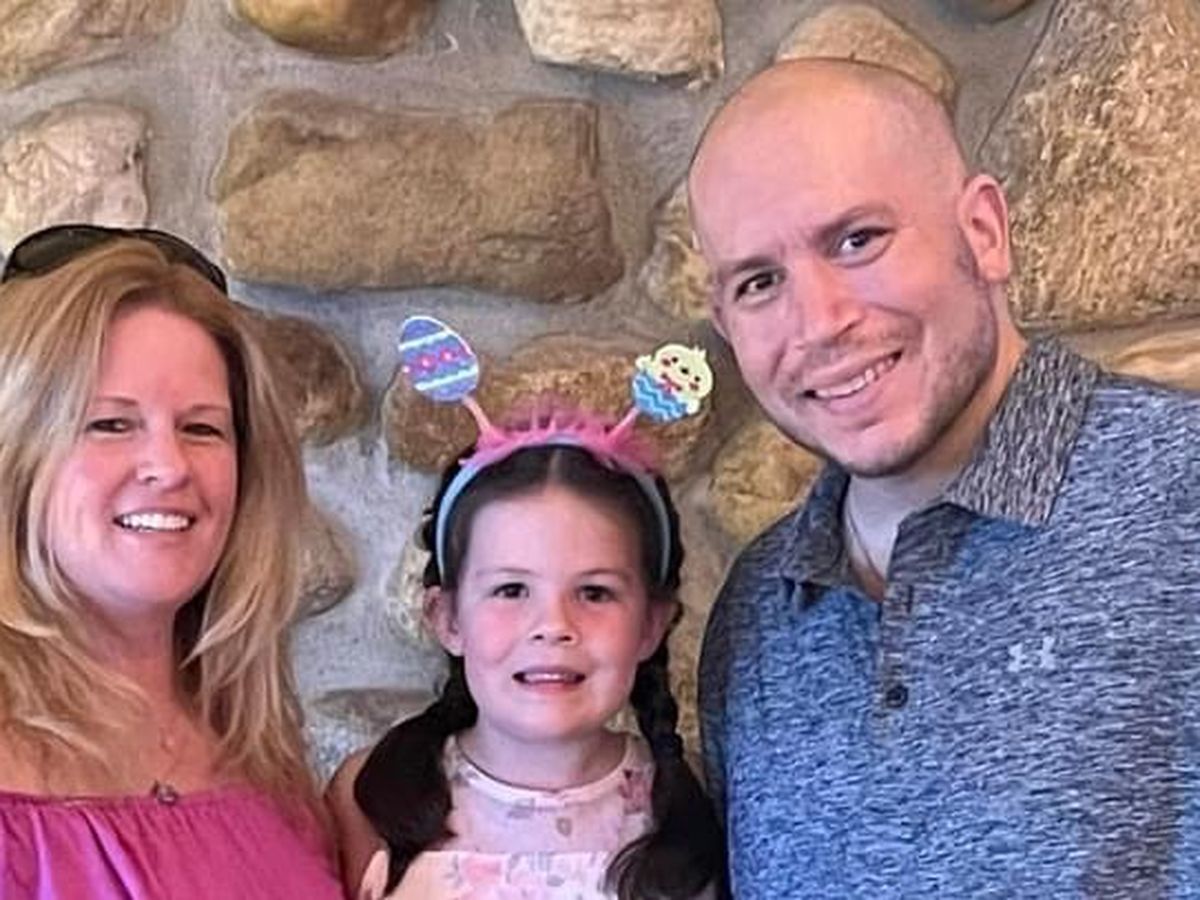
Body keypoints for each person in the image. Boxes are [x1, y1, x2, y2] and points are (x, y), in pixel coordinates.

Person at [688, 58, 1200, 896]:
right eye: (760, 282)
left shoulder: (1182, 498)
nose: (818, 322)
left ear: (985, 231)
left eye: (857, 240)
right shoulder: (756, 612)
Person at [0, 225, 344, 898]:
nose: (168, 465)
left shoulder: (265, 761)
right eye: (110, 423)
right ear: (16, 459)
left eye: (202, 428)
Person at [327, 416, 725, 899]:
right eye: (511, 589)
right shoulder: (372, 798)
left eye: (595, 593)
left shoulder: (695, 806)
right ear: (448, 617)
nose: (553, 625)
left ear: (651, 624)